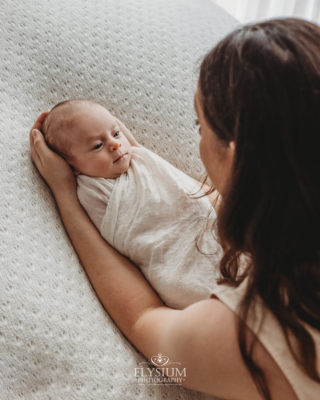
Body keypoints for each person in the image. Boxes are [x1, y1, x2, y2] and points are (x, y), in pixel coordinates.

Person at [30, 18, 320, 400]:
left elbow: (145, 324)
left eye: (199, 127)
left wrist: (65, 194)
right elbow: (221, 205)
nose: (117, 145)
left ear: (236, 156)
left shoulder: (252, 333)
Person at [40, 99, 222, 309]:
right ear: (72, 166)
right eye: (97, 145)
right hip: (174, 261)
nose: (115, 144)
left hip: (208, 232)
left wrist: (124, 140)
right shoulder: (90, 191)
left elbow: (171, 180)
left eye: (116, 134)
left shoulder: (141, 159)